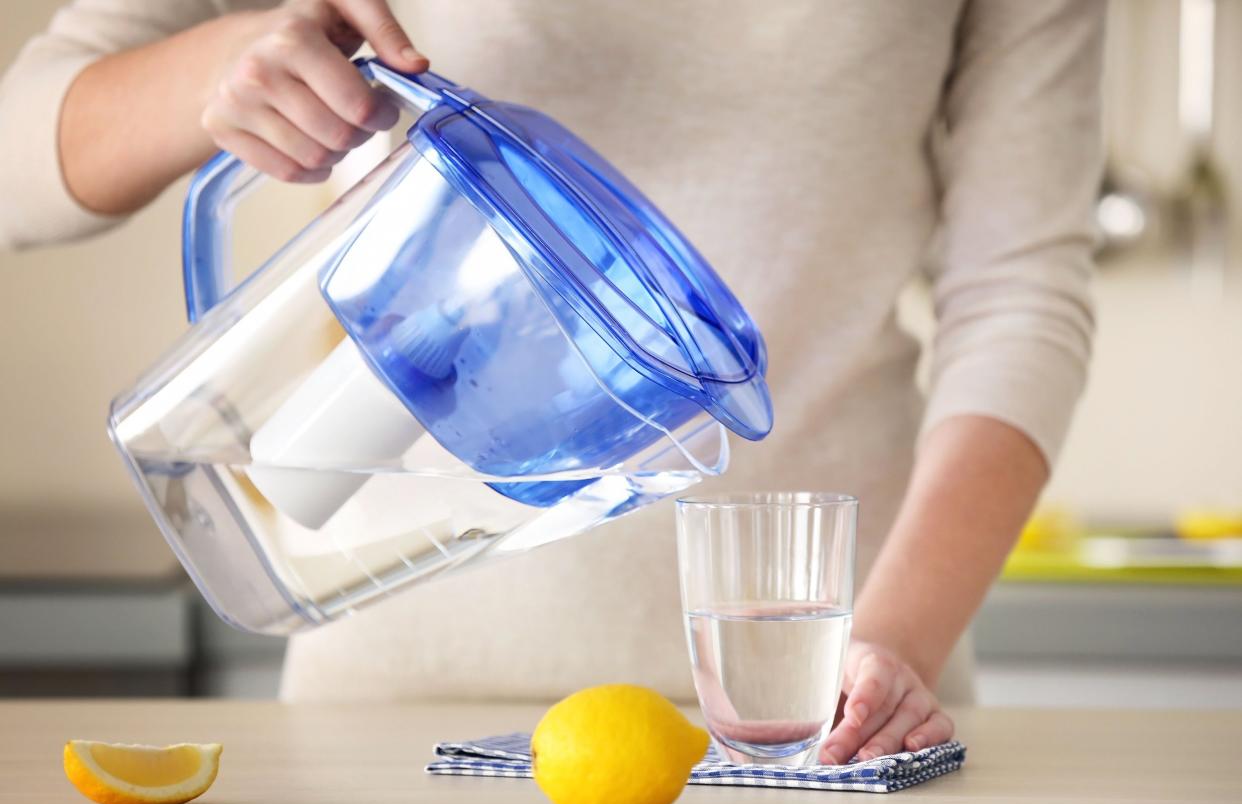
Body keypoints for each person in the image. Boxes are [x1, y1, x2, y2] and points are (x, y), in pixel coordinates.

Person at [0, 0, 1102, 764]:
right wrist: (225, 68)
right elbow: (18, 167)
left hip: (828, 717)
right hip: (391, 718)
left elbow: (1021, 293)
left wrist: (887, 654)